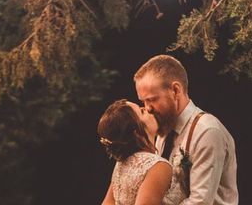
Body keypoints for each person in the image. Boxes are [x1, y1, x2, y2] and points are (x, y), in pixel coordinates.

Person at [134, 55, 238, 205]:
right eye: (143, 101)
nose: (148, 108)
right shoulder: (164, 126)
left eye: (152, 99)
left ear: (176, 90)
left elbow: (199, 202)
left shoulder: (207, 132)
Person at [98, 99, 183, 205]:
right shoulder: (158, 166)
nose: (148, 109)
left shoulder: (121, 164)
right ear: (137, 133)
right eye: (142, 111)